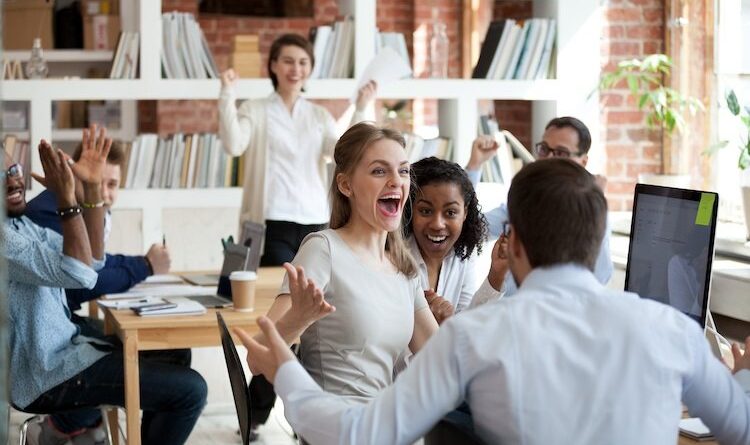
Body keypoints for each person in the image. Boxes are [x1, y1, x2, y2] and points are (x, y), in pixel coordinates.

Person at [237, 158, 750, 445]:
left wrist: (286, 372)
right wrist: (742, 373)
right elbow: (739, 427)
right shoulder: (672, 331)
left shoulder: (473, 336)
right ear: (596, 246)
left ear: (515, 243)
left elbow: (363, 434)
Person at [218, 33, 376, 437]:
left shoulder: (319, 116)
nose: (295, 69)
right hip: (271, 225)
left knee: (312, 327)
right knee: (281, 325)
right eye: (288, 61)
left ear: (309, 69)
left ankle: (302, 416)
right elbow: (233, 143)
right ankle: (255, 414)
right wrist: (226, 94)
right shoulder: (255, 108)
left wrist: (361, 105)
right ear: (273, 66)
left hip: (314, 225)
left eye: (303, 63)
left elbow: (343, 152)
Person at [5, 130, 206, 445]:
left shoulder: (20, 224)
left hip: (66, 347)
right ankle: (65, 425)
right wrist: (68, 199)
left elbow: (94, 261)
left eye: (12, 170)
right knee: (191, 391)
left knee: (174, 352)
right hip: (46, 374)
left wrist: (93, 188)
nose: (13, 181)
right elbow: (82, 274)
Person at [251, 122, 438, 404]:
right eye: (379, 171)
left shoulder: (403, 266)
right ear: (345, 184)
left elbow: (439, 356)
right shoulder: (323, 250)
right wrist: (296, 320)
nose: (396, 181)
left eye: (403, 170)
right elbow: (256, 359)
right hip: (339, 423)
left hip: (385, 420)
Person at [465, 116, 613, 301]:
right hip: (514, 313)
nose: (548, 159)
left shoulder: (593, 209)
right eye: (544, 149)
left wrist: (593, 208)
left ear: (583, 162)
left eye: (561, 152)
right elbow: (469, 228)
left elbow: (601, 275)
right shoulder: (525, 202)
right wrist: (475, 165)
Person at [25, 138, 172, 317]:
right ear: (75, 174)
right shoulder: (48, 212)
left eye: (112, 185)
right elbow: (80, 283)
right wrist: (145, 266)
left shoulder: (88, 211)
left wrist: (146, 261)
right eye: (94, 182)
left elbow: (100, 262)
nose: (102, 193)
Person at [403, 156, 506, 321]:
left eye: (450, 212)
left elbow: (469, 324)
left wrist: (497, 274)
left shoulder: (463, 254)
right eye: (425, 211)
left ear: (464, 213)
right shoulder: (394, 257)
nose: (437, 224)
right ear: (410, 210)